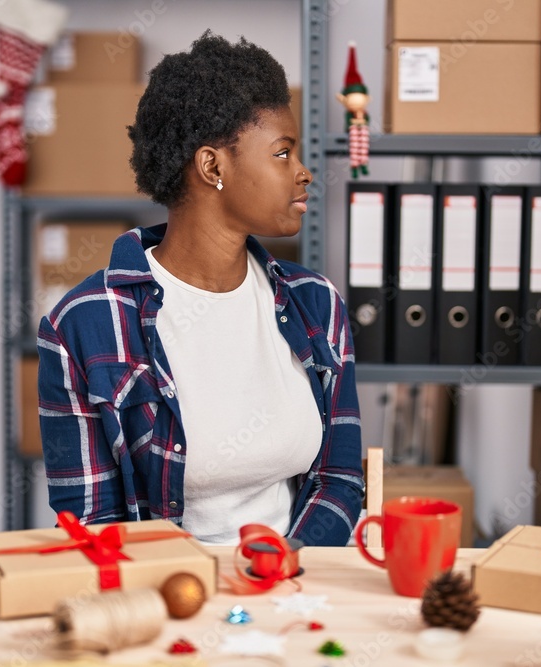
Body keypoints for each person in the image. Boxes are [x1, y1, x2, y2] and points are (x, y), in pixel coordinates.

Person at [37, 32, 363, 546]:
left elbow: (339, 479)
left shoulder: (316, 305)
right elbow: (92, 520)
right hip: (165, 599)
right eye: (282, 153)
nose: (304, 174)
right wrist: (194, 589)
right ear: (213, 166)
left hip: (295, 587)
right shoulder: (84, 325)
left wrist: (285, 563)